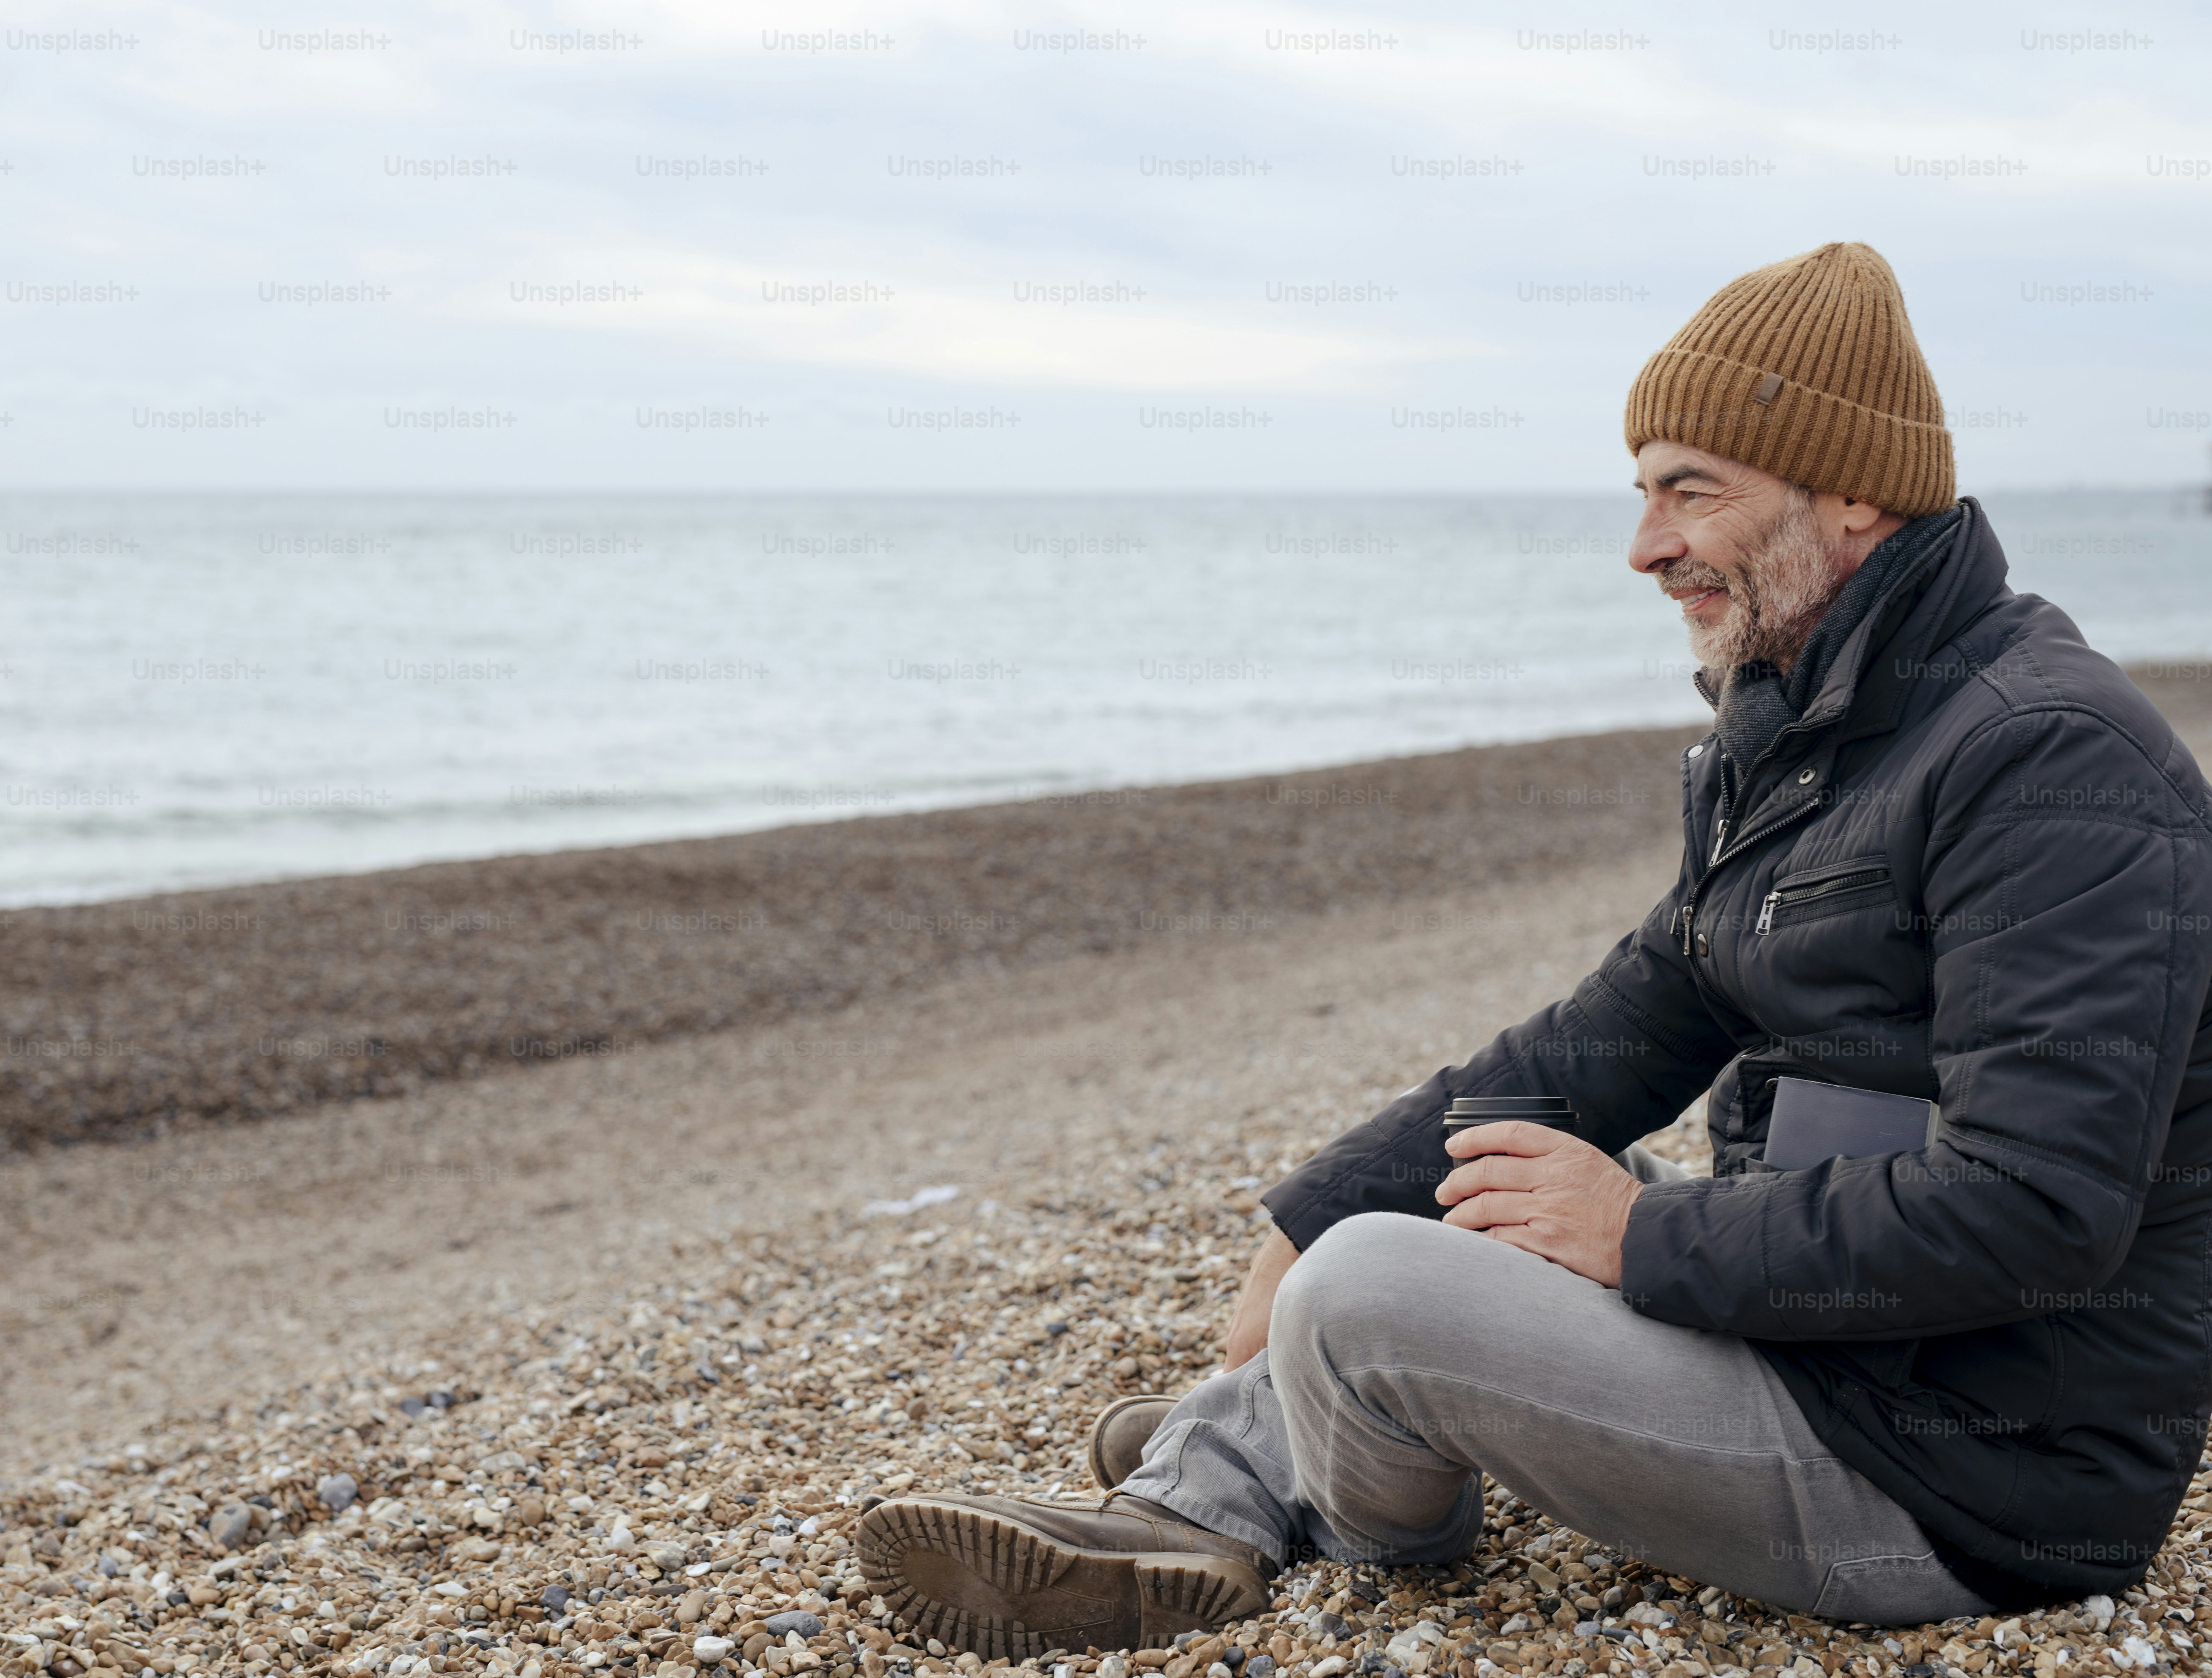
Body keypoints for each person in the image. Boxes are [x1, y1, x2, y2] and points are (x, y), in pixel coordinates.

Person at [855, 242, 2212, 1658]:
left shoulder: (2047, 764)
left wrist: (1636, 1233)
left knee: (1371, 1291)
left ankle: (1321, 1468)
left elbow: (2037, 1212)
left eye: (1691, 489)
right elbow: (1598, 1044)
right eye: (1642, 493)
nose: (1643, 545)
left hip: (1963, 1478)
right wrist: (1310, 1203)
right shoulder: (1804, 742)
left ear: (1855, 492)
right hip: (1829, 1359)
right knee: (1475, 1175)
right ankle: (1226, 1475)